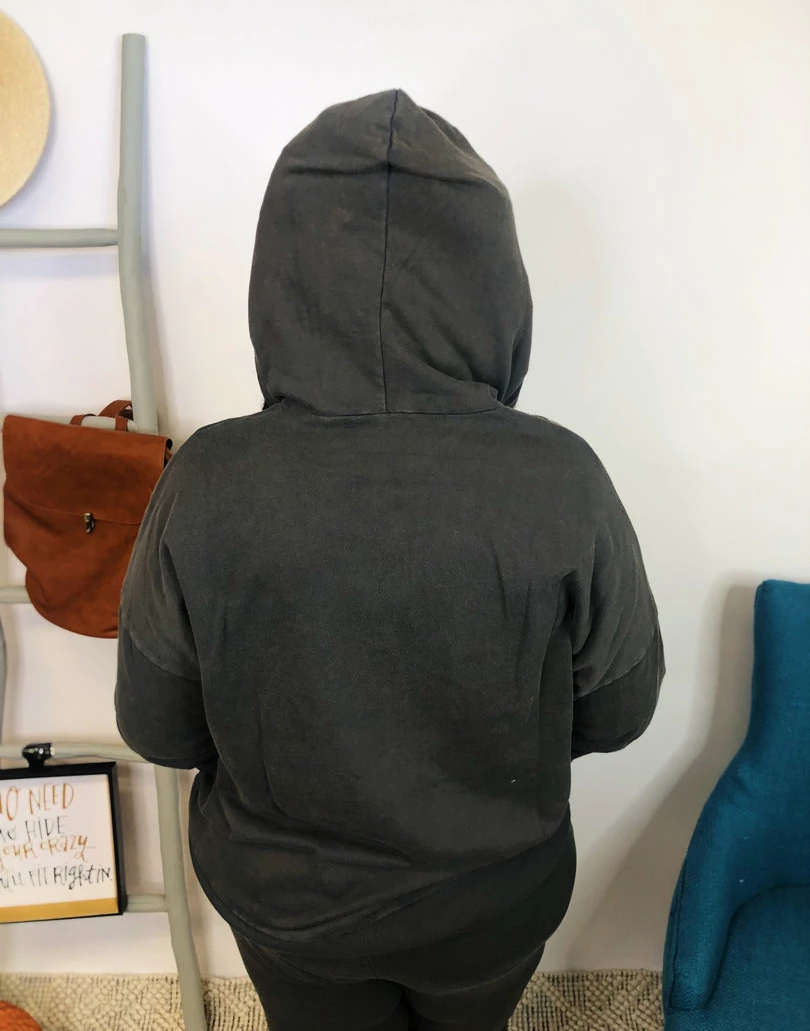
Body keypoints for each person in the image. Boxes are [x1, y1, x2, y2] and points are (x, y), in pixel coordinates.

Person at [115, 90, 665, 1031]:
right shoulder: (562, 476)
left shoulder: (206, 478)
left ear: (279, 279)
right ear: (497, 286)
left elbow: (160, 729)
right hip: (492, 907)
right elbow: (618, 712)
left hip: (289, 910)